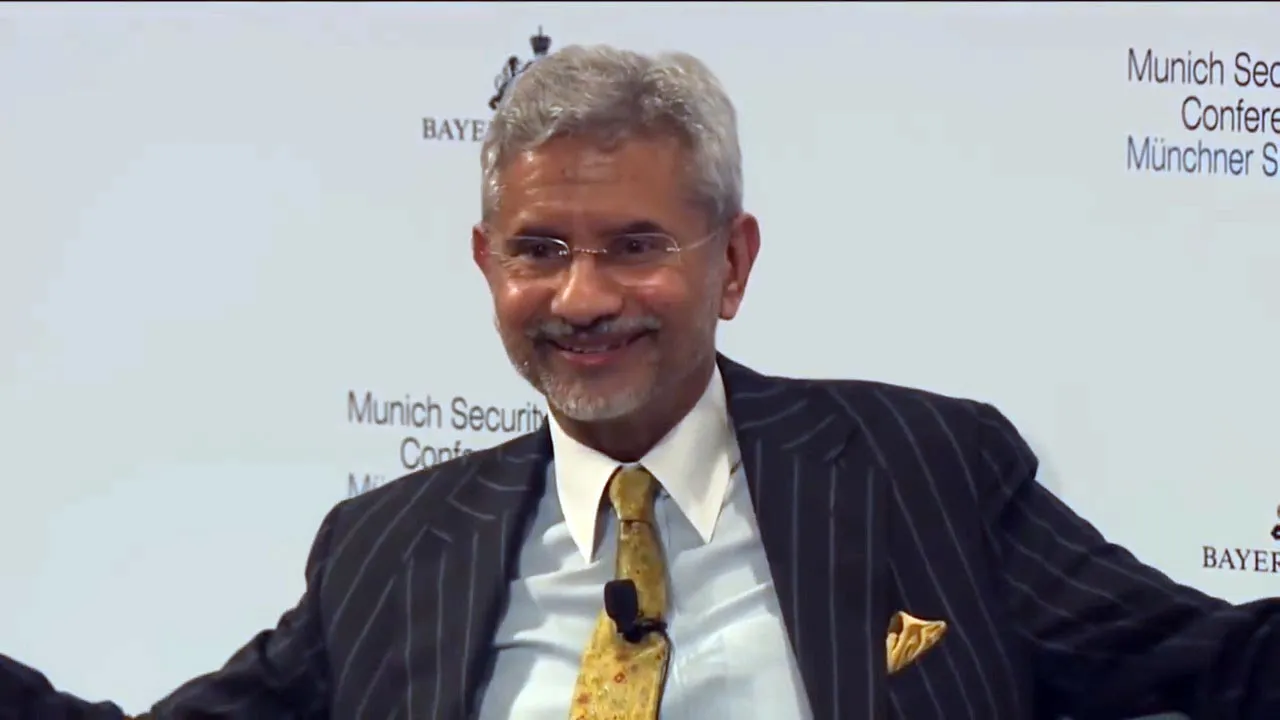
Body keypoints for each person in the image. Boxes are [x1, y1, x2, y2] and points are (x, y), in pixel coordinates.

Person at [4, 43, 1279, 720]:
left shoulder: (919, 473)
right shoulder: (387, 549)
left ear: (732, 263)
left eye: (633, 247)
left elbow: (1217, 670)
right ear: (484, 265)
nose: (581, 298)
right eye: (538, 252)